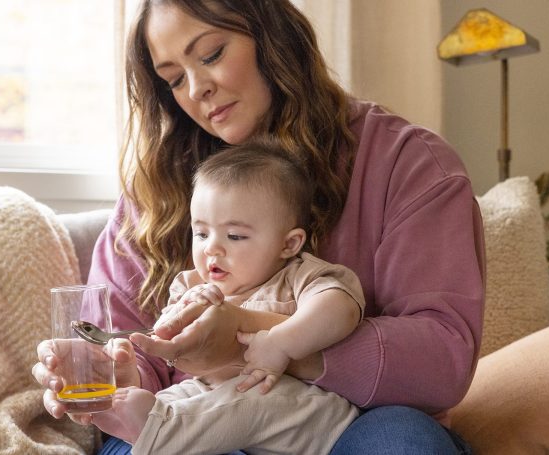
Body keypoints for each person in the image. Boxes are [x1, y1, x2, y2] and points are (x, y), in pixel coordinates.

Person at [33, 1, 484, 453]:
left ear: (272, 37)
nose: (196, 89)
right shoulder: (154, 196)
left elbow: (441, 365)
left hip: (347, 425)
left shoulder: (406, 163)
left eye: (210, 54)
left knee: (404, 442)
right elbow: (116, 349)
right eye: (173, 78)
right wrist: (122, 373)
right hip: (195, 417)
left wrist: (252, 337)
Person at [96, 139, 364, 455]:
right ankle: (131, 419)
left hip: (303, 410)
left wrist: (280, 342)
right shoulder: (192, 283)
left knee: (242, 399)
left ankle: (158, 434)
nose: (212, 248)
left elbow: (341, 309)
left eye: (234, 236)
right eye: (201, 233)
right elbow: (172, 340)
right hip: (218, 395)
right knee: (177, 397)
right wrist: (179, 318)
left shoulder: (299, 275)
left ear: (289, 244)